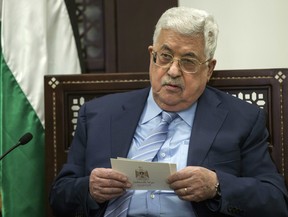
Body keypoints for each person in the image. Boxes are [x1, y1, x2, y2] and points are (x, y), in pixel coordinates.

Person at [49, 6, 288, 217]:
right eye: (164, 56)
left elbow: (275, 200)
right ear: (151, 55)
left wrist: (216, 185)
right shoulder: (97, 115)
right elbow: (59, 198)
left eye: (188, 61)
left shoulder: (242, 119)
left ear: (209, 69)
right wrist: (89, 190)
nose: (173, 71)